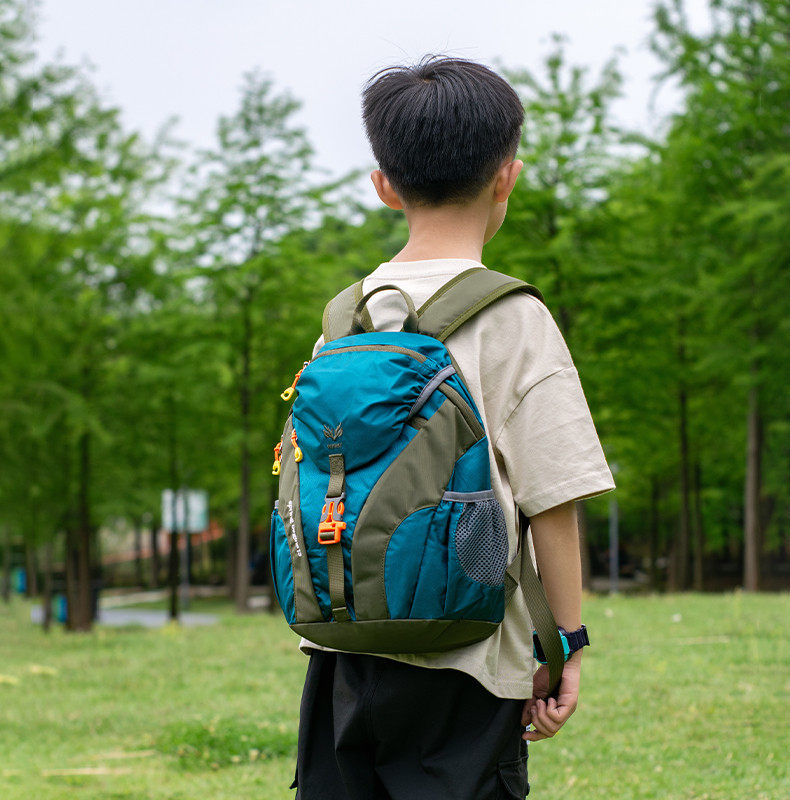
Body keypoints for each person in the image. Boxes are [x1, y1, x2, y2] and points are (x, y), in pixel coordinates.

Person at [292, 55, 616, 800]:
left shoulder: (345, 318)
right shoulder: (514, 316)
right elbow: (554, 499)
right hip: (468, 656)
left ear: (384, 185)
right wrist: (565, 643)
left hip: (342, 653)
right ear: (508, 175)